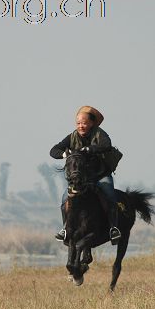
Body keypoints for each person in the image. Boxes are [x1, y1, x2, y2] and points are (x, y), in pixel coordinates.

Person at [49, 105, 121, 244]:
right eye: (78, 123)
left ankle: (113, 228)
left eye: (84, 123)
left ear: (92, 123)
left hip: (101, 175)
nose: (81, 126)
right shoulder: (72, 137)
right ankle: (65, 229)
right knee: (65, 199)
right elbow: (53, 150)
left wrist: (89, 149)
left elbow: (107, 145)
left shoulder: (100, 134)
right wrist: (64, 154)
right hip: (82, 179)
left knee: (110, 195)